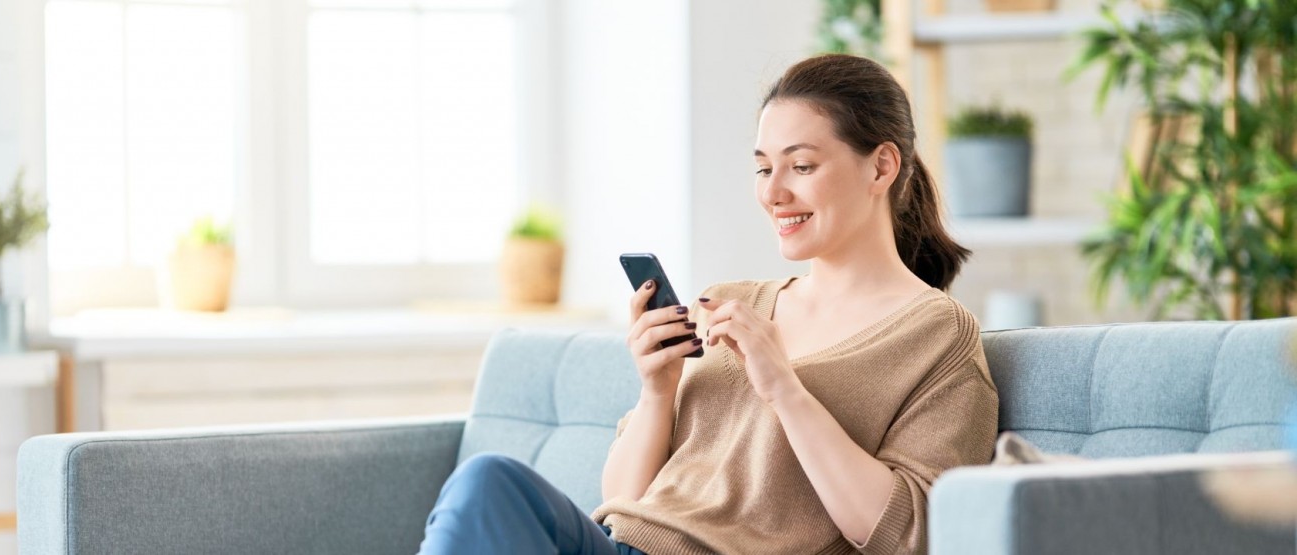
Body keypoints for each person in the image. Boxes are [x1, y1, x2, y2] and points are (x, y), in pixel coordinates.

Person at [418, 53, 1000, 555]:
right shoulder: (728, 305)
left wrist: (783, 388)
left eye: (801, 166)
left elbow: (908, 534)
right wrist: (657, 390)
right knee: (487, 482)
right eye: (763, 167)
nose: (773, 193)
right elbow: (620, 503)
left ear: (882, 165)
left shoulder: (937, 336)